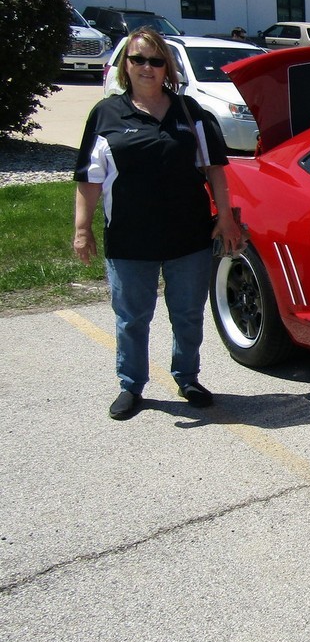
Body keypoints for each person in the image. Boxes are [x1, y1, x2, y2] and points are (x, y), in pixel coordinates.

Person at [73, 27, 243, 420]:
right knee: (132, 318)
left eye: (155, 60)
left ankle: (187, 377)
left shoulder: (189, 111)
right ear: (125, 65)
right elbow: (89, 178)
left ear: (167, 66)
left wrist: (226, 218)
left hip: (189, 237)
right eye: (138, 59)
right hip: (130, 240)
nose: (146, 67)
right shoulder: (106, 114)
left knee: (188, 314)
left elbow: (215, 169)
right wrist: (82, 229)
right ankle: (131, 385)